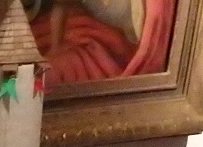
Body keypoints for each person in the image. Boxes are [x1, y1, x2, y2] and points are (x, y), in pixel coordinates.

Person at [26, 0, 177, 86]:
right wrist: (55, 47)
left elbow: (158, 21)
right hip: (104, 41)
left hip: (137, 46)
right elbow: (60, 8)